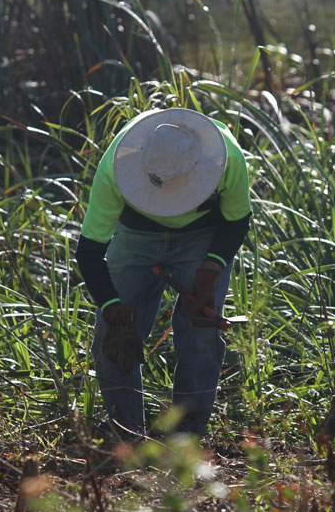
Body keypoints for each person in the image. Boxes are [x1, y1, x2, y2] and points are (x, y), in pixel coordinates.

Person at [75, 107, 251, 440]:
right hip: (135, 235)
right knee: (113, 336)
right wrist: (112, 307)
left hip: (204, 235)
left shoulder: (227, 157)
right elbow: (89, 250)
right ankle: (125, 433)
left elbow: (236, 220)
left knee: (200, 329)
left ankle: (187, 435)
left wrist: (211, 269)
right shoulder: (116, 165)